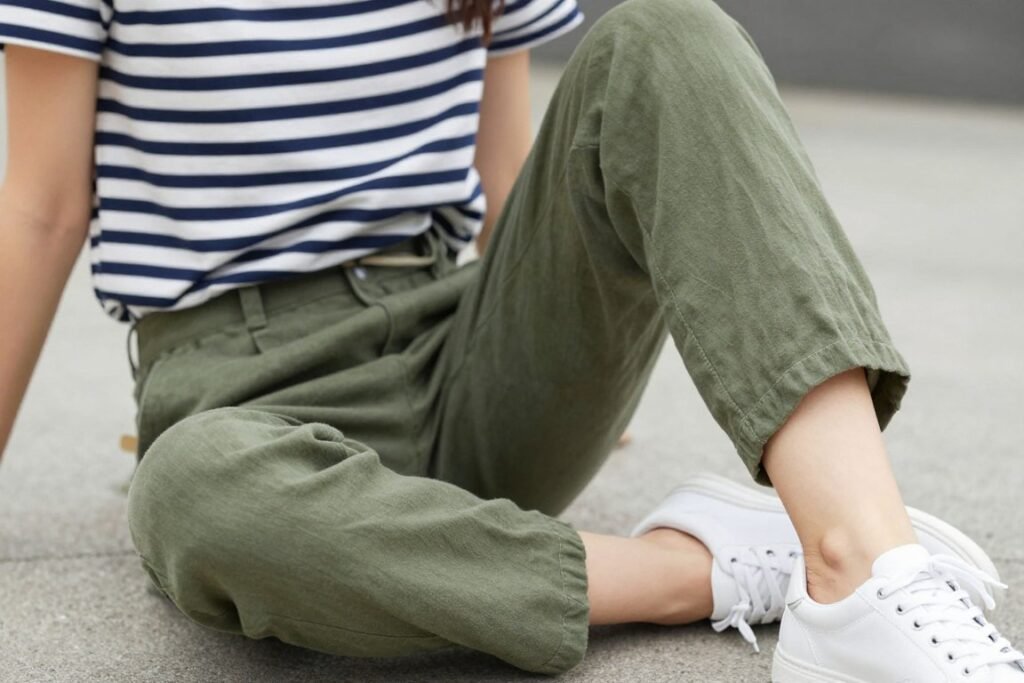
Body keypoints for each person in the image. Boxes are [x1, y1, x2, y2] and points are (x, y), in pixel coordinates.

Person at [0, 0, 1020, 679]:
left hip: (461, 352)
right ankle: (702, 568)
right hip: (241, 391)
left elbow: (511, 183)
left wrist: (557, 346)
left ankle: (859, 566)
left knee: (666, 35)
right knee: (194, 492)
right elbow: (42, 209)